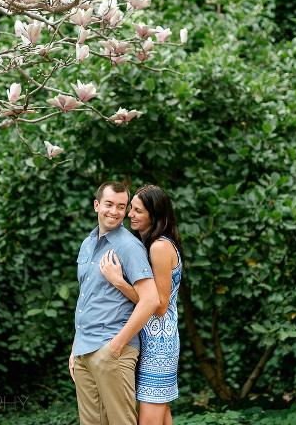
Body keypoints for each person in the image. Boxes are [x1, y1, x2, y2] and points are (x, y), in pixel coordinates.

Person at [69, 181, 160, 425]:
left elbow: (150, 300)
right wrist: (75, 347)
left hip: (112, 348)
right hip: (84, 349)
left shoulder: (129, 246)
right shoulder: (87, 244)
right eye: (109, 204)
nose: (115, 211)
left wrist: (116, 345)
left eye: (122, 206)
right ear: (97, 205)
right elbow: (86, 298)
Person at [99, 184, 183, 425]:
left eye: (137, 211)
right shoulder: (149, 244)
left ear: (154, 215)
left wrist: (119, 282)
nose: (129, 215)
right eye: (131, 209)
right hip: (148, 339)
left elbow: (159, 306)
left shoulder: (159, 247)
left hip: (159, 344)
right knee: (161, 418)